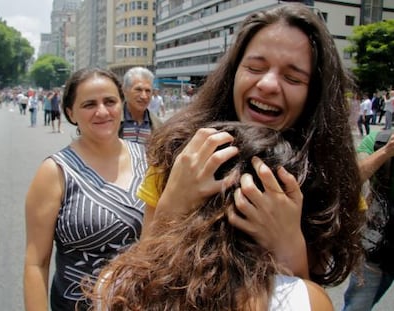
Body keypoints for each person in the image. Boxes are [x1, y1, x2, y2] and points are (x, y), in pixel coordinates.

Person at [137, 2, 363, 287]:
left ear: (315, 93)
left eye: (293, 78)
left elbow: (309, 298)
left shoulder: (330, 175)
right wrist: (172, 205)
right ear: (234, 72)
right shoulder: (181, 151)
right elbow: (141, 276)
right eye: (255, 68)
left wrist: (289, 246)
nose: (268, 84)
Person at [91, 122, 333, 310]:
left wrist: (168, 209)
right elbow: (301, 299)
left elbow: (147, 265)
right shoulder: (306, 300)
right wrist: (293, 248)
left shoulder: (115, 285)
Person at [23, 68, 148, 311]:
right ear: (71, 113)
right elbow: (36, 263)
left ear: (121, 105)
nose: (102, 111)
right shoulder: (55, 172)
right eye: (89, 104)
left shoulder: (149, 158)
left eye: (109, 101)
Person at [342, 129, 394, 311]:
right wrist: (386, 151)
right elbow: (351, 180)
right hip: (375, 245)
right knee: (357, 306)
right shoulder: (379, 140)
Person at [118, 66, 162, 145]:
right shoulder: (112, 120)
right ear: (125, 90)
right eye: (138, 90)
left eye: (148, 91)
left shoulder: (158, 126)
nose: (144, 96)